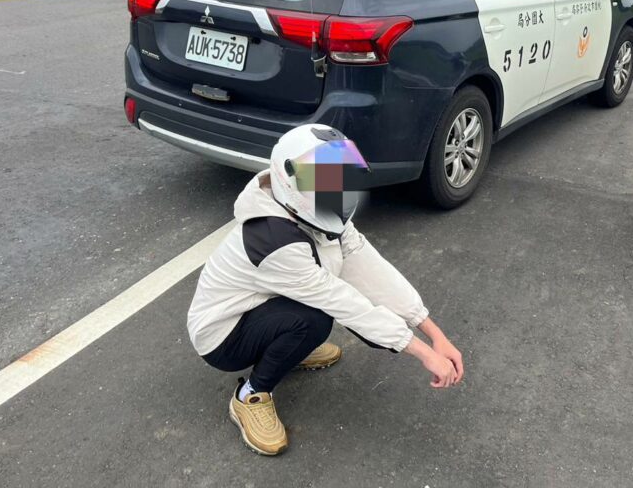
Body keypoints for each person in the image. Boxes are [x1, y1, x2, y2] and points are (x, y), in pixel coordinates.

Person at [187, 124, 464, 456]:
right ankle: (251, 394)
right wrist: (424, 353)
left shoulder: (312, 207)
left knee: (313, 316)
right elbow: (345, 303)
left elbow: (370, 268)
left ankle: (286, 351)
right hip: (222, 336)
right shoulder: (275, 240)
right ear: (293, 183)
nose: (340, 189)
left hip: (258, 308)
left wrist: (433, 331)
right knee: (314, 321)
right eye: (327, 179)